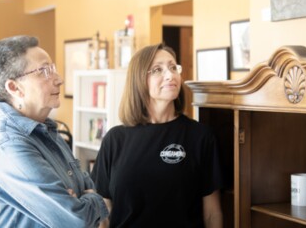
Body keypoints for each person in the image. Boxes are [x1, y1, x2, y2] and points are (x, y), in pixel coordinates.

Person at [0, 35, 109, 227]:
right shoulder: (9, 146)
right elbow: (76, 220)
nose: (59, 79)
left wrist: (82, 199)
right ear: (14, 87)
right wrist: (94, 202)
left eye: (54, 69)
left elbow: (85, 184)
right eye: (44, 71)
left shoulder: (44, 128)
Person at [91, 43, 223, 228]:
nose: (170, 75)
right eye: (157, 70)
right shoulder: (115, 139)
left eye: (173, 67)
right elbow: (104, 209)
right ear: (139, 80)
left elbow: (212, 214)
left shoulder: (200, 137)